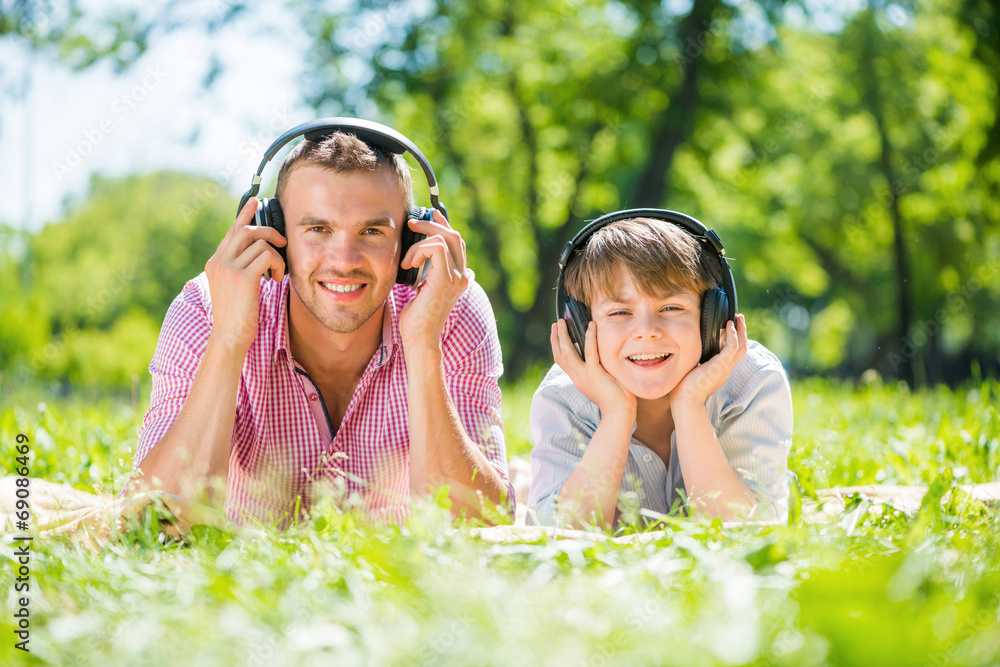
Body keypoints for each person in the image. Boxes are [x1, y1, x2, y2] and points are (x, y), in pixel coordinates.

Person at [124, 121, 514, 527]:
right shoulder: (206, 307)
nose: (344, 259)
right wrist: (228, 339)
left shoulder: (449, 308)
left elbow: (480, 528)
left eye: (373, 231)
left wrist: (422, 344)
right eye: (318, 229)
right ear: (274, 234)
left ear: (412, 242)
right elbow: (155, 522)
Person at [527, 210, 792, 528]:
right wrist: (616, 413)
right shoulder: (563, 396)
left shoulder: (754, 381)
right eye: (620, 312)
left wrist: (690, 405)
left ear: (711, 317)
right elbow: (561, 540)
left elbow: (745, 533)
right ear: (582, 327)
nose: (646, 331)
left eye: (671, 307)